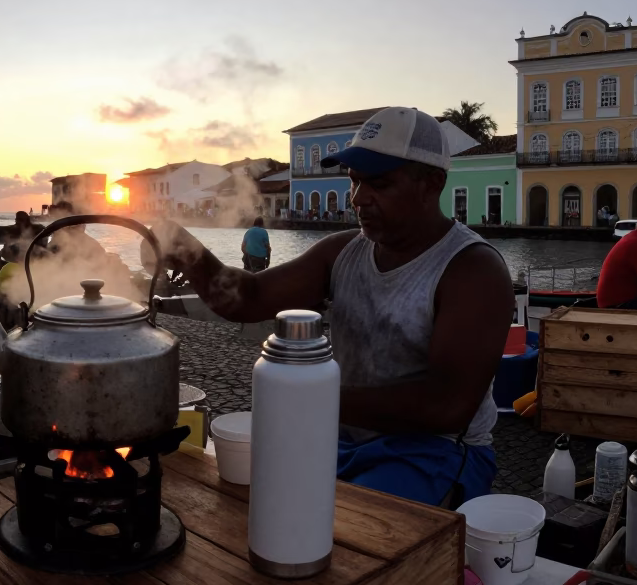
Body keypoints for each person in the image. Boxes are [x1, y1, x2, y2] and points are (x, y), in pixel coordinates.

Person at [151, 108, 512, 506]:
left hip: (436, 452)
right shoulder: (343, 251)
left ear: (432, 184)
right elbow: (249, 299)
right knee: (252, 503)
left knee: (344, 530)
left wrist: (314, 397)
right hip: (344, 436)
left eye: (379, 183)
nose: (358, 198)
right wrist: (189, 252)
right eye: (355, 181)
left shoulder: (472, 270)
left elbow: (449, 407)